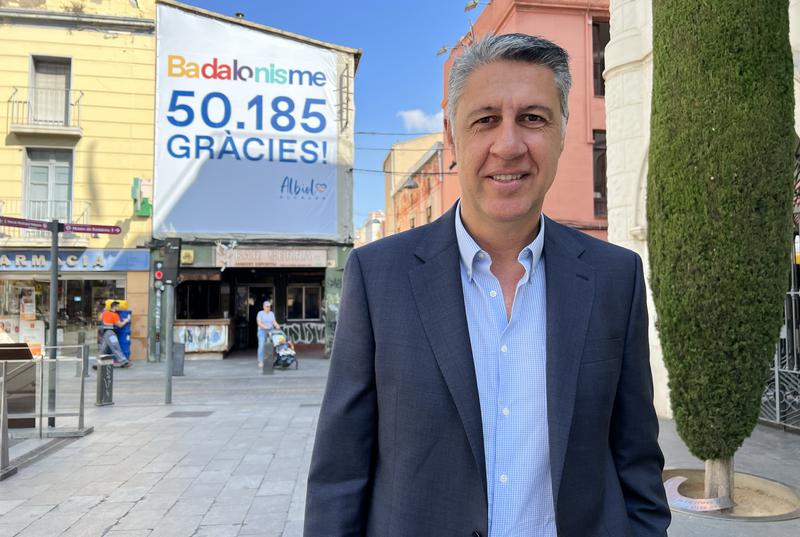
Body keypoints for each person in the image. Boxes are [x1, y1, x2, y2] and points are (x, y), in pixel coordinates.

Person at [304, 34, 670, 537]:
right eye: (486, 120)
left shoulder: (615, 277)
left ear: (564, 133)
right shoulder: (378, 276)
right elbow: (339, 475)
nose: (509, 144)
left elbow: (636, 463)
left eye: (534, 119)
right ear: (454, 141)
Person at [98, 301, 130, 367]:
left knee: (103, 349)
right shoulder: (115, 315)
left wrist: (105, 310)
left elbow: (100, 318)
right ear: (114, 307)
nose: (119, 308)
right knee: (115, 347)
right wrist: (125, 321)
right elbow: (120, 325)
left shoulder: (105, 313)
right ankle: (124, 362)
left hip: (105, 333)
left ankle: (98, 363)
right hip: (111, 333)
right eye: (118, 306)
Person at [256, 300, 280, 368]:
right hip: (262, 331)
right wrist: (265, 327)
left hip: (270, 331)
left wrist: (277, 325)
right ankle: (260, 361)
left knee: (270, 346)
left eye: (269, 307)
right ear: (263, 307)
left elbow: (274, 321)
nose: (268, 308)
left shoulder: (271, 313)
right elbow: (259, 323)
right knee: (261, 345)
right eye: (267, 307)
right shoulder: (260, 313)